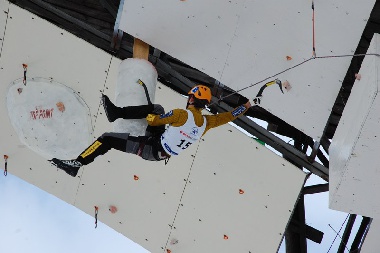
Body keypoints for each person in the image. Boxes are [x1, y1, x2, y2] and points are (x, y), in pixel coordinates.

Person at [50, 84, 252, 177]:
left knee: (108, 139)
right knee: (157, 108)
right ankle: (116, 113)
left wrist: (149, 117)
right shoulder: (208, 123)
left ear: (191, 98)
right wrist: (248, 105)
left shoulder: (182, 114)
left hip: (150, 148)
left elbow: (155, 120)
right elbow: (230, 116)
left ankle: (77, 163)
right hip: (160, 146)